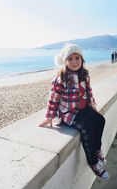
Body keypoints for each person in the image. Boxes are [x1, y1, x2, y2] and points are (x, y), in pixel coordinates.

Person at [39, 43, 109, 180]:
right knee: (86, 128)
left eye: (77, 58)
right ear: (64, 62)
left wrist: (93, 105)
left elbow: (89, 92)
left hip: (83, 109)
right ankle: (93, 162)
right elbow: (54, 98)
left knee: (100, 120)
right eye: (70, 59)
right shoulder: (61, 78)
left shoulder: (85, 75)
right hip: (68, 113)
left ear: (82, 59)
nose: (74, 62)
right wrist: (49, 117)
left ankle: (97, 149)